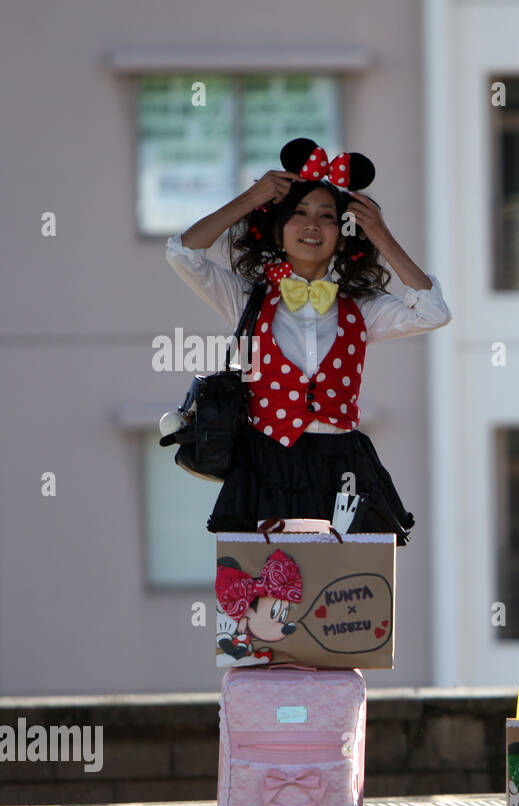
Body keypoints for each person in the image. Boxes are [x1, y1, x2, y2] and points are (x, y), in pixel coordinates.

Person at [166, 138, 451, 544]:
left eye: (327, 216)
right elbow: (183, 254)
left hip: (344, 468)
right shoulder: (248, 298)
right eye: (298, 213)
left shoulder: (362, 308)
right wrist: (253, 196)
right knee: (264, 594)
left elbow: (433, 311)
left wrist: (381, 234)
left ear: (344, 232)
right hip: (266, 463)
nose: (312, 225)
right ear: (279, 229)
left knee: (347, 595)